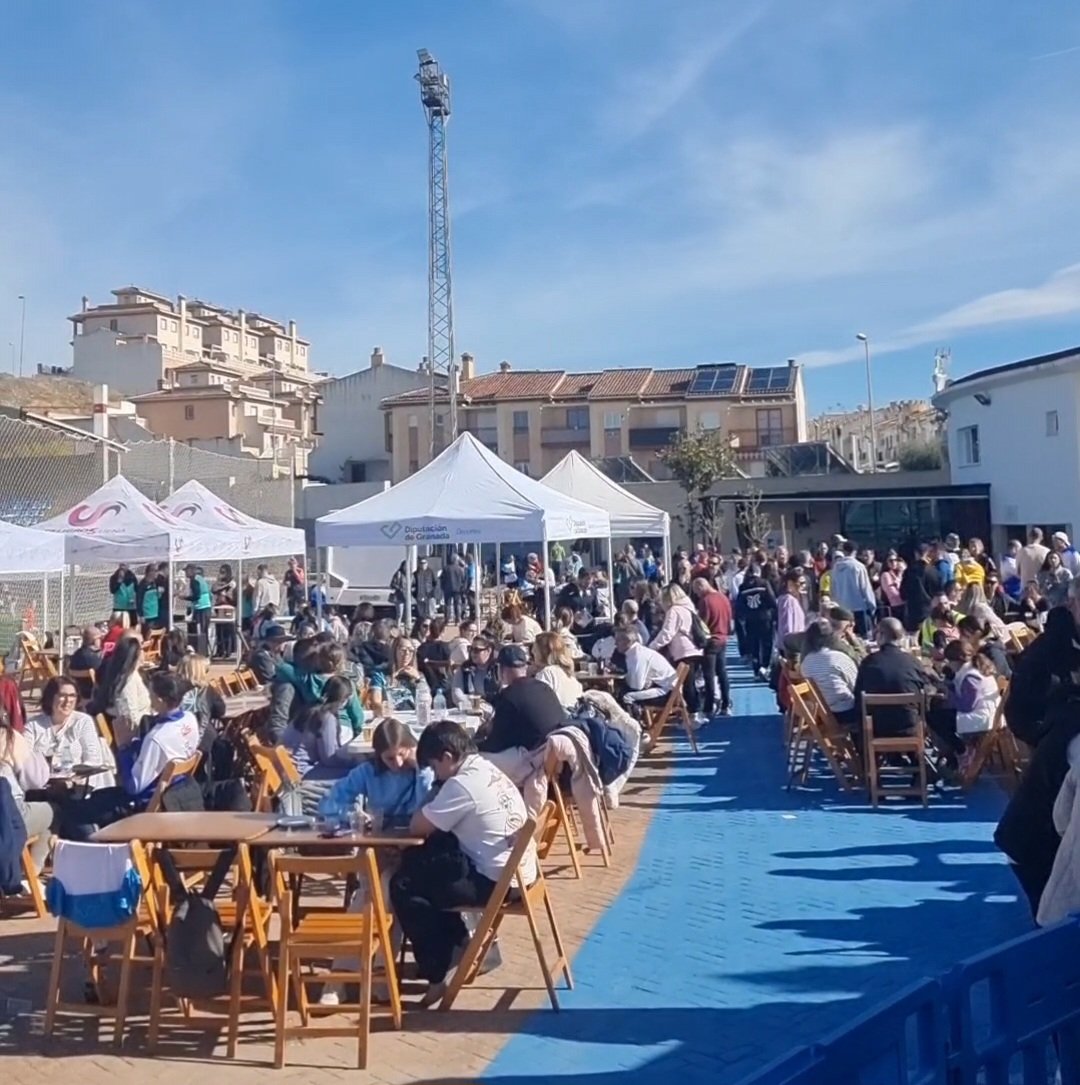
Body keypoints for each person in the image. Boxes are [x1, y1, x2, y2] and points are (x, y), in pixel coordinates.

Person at [392, 720, 537, 1006]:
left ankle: (438, 970)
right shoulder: (485, 767)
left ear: (447, 757)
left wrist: (433, 789)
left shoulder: (461, 785)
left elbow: (417, 826)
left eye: (435, 766)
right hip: (519, 872)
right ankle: (457, 943)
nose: (436, 774)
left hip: (497, 882)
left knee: (405, 885)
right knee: (428, 866)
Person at [477, 645, 566, 764]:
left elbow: (496, 743)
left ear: (501, 669)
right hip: (560, 753)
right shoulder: (544, 687)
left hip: (538, 759)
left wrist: (476, 745)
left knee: (477, 757)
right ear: (525, 666)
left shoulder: (509, 695)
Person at [26, 676, 112, 784]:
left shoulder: (83, 721)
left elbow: (93, 760)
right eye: (62, 695)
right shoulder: (33, 725)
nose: (68, 701)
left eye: (72, 696)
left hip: (76, 787)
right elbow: (24, 759)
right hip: (40, 785)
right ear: (50, 697)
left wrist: (75, 778)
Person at [852, 618, 927, 740]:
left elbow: (858, 695)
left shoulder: (869, 662)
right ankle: (914, 757)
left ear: (880, 635)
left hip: (876, 728)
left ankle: (874, 757)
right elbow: (925, 692)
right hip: (909, 725)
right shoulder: (913, 662)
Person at [0, 704, 51, 875]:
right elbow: (35, 780)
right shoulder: (8, 737)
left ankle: (26, 871)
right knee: (54, 811)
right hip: (10, 815)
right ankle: (31, 873)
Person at [91, 635, 151, 749]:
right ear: (136, 655)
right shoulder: (127, 682)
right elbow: (129, 719)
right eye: (142, 649)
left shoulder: (119, 673)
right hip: (134, 739)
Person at [799, 618, 860, 727]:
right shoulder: (838, 658)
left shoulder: (805, 663)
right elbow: (856, 685)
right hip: (844, 712)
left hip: (820, 714)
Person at [692, 577, 732, 717]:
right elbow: (729, 617)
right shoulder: (723, 598)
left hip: (711, 641)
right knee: (722, 673)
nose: (697, 594)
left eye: (697, 591)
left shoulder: (705, 601)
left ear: (701, 587)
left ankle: (709, 707)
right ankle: (726, 704)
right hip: (723, 638)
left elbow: (703, 624)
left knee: (709, 675)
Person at [620, 628, 679, 711]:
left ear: (627, 642)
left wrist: (623, 679)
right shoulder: (637, 651)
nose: (615, 644)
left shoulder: (638, 655)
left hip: (665, 693)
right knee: (624, 690)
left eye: (618, 640)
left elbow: (637, 685)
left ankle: (632, 721)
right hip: (667, 688)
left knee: (626, 696)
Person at [736, 568, 777, 680]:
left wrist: (744, 616)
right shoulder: (764, 583)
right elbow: (772, 600)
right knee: (766, 643)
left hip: (750, 620)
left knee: (754, 644)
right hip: (765, 618)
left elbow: (739, 605)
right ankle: (764, 667)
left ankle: (756, 668)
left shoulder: (743, 587)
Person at [829, 540, 876, 637]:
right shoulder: (859, 567)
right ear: (855, 551)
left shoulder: (835, 568)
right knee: (864, 638)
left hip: (842, 609)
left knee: (844, 637)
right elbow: (865, 588)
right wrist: (872, 606)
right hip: (859, 608)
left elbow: (832, 589)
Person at [176, 654, 226, 739]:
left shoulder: (173, 688)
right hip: (203, 737)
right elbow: (220, 710)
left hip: (178, 735)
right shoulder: (207, 690)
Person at [531, 632, 585, 710]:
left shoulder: (547, 673)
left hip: (557, 718)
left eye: (535, 649)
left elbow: (537, 702)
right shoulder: (568, 674)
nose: (532, 651)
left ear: (543, 652)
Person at [900, 544, 942, 634]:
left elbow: (902, 594)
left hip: (912, 613)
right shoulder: (933, 571)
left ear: (916, 553)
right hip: (929, 612)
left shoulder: (909, 572)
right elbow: (938, 594)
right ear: (927, 553)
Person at [451, 636, 500, 708]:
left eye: (476, 650)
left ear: (489, 651)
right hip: (469, 710)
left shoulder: (498, 669)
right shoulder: (465, 669)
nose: (472, 653)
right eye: (470, 649)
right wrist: (476, 703)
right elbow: (456, 694)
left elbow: (504, 693)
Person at [417, 617, 452, 695]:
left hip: (425, 686)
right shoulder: (445, 647)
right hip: (443, 687)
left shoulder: (421, 648)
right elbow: (449, 667)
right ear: (443, 631)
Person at [185, 564, 213, 656]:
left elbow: (196, 596)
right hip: (206, 608)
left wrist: (184, 597)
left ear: (192, 571)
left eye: (187, 571)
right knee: (203, 631)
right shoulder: (200, 579)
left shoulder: (195, 581)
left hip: (202, 608)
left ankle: (202, 653)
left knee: (200, 632)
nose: (185, 573)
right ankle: (204, 652)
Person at [212, 564, 238, 658]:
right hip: (219, 609)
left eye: (224, 572)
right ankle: (220, 650)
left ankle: (228, 651)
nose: (222, 574)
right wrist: (224, 587)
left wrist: (226, 594)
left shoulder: (233, 584)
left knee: (227, 630)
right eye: (221, 572)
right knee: (219, 630)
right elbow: (214, 590)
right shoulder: (219, 583)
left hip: (228, 609)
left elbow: (234, 601)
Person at [137, 564, 167, 630]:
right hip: (147, 616)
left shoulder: (155, 583)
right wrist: (141, 615)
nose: (157, 573)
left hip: (155, 614)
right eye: (155, 571)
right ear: (150, 572)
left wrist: (160, 593)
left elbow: (158, 597)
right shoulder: (143, 585)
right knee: (148, 635)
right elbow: (139, 600)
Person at [440, 554, 467, 624]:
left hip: (447, 589)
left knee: (447, 604)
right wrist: (463, 588)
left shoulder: (446, 568)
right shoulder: (460, 569)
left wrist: (442, 587)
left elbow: (442, 579)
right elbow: (464, 580)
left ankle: (447, 619)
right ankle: (457, 619)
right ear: (456, 560)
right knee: (457, 604)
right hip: (457, 589)